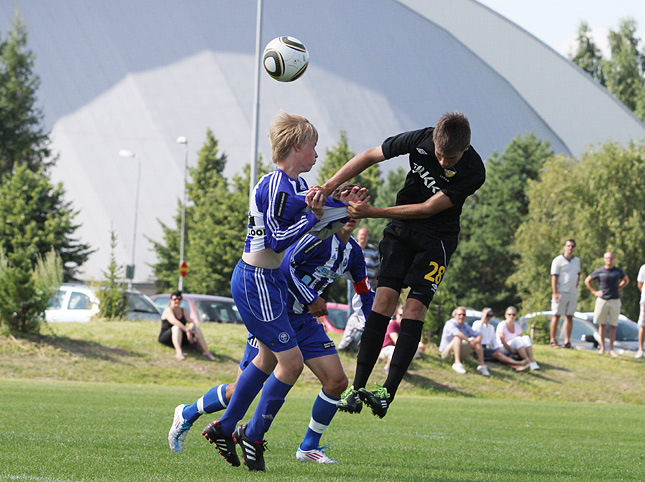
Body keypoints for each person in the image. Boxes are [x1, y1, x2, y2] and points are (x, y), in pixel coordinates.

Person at [192, 112, 363, 472]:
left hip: (266, 282)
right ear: (297, 145)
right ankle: (251, 434)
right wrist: (315, 217)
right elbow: (276, 239)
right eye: (313, 146)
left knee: (268, 360)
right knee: (292, 363)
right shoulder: (274, 185)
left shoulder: (296, 187)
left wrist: (343, 204)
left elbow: (323, 211)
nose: (317, 155)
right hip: (257, 281)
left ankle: (225, 428)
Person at [315, 111, 486, 418]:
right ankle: (356, 388)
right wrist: (328, 186)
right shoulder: (420, 138)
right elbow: (369, 155)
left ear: (466, 148)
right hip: (400, 231)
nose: (444, 163)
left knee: (415, 309)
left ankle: (386, 393)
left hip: (437, 239)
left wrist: (372, 212)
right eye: (439, 156)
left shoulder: (474, 171)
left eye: (451, 158)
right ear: (433, 141)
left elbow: (427, 208)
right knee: (383, 300)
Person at [168, 213, 373, 465]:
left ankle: (308, 447)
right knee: (238, 390)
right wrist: (310, 298)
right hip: (274, 317)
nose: (350, 215)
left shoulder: (353, 252)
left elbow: (364, 290)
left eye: (356, 211)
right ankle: (187, 413)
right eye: (344, 209)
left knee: (336, 381)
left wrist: (374, 327)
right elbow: (285, 268)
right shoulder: (315, 238)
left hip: (305, 323)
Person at [584, 252, 629, 357]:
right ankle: (602, 348)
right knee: (602, 324)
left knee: (613, 325)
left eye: (611, 258)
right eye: (608, 258)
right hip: (602, 300)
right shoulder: (599, 271)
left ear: (614, 259)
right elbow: (587, 281)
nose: (610, 260)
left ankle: (612, 349)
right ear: (604, 259)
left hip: (615, 300)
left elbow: (626, 280)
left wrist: (619, 287)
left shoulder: (618, 271)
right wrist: (594, 292)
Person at [157, 290, 215, 361]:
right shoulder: (168, 310)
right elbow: (174, 321)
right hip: (167, 338)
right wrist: (187, 330)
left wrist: (190, 329)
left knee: (196, 328)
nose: (177, 301)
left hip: (181, 336)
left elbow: (191, 322)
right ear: (171, 300)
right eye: (175, 299)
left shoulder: (183, 310)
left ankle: (206, 351)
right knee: (176, 328)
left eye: (179, 299)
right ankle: (179, 352)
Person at [438, 307, 488, 376]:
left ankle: (482, 366)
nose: (461, 316)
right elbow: (458, 333)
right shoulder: (449, 323)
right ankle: (457, 363)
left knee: (477, 343)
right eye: (459, 314)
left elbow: (477, 334)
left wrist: (477, 340)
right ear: (454, 315)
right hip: (446, 353)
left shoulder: (465, 325)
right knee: (457, 338)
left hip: (457, 351)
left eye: (463, 315)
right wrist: (469, 339)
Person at [549, 239, 581, 348]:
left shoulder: (576, 261)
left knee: (570, 317)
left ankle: (567, 341)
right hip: (560, 291)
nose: (570, 248)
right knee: (557, 315)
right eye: (568, 246)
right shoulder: (558, 260)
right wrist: (555, 293)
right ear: (564, 247)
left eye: (572, 246)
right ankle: (553, 340)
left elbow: (578, 274)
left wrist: (575, 285)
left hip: (572, 292)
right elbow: (554, 277)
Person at [379, 305, 425, 372]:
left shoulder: (407, 327)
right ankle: (388, 368)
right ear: (396, 315)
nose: (403, 317)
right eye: (401, 315)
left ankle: (401, 369)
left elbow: (413, 338)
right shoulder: (393, 325)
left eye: (405, 315)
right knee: (395, 350)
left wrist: (420, 343)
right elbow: (396, 341)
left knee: (415, 350)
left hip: (399, 348)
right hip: (386, 349)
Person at [636, 262, 645, 359]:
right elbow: (640, 285)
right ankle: (640, 350)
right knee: (643, 325)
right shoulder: (643, 267)